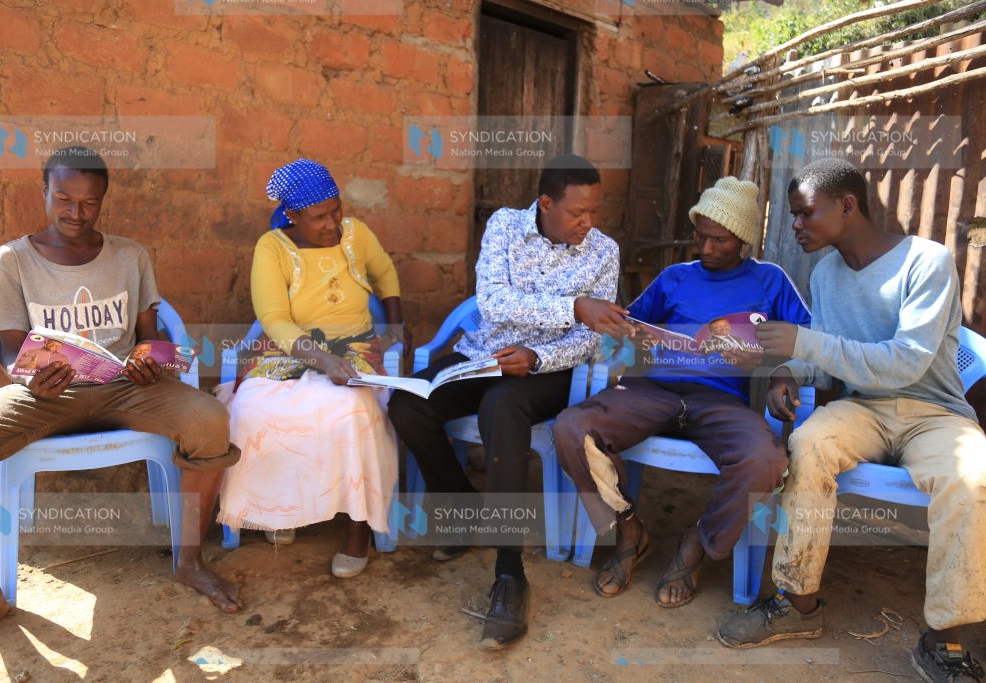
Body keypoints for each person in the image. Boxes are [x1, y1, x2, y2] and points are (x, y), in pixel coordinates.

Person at [0, 146, 243, 652]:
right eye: (64, 198)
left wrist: (146, 359)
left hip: (124, 389)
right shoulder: (12, 260)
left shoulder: (130, 255)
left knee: (209, 419)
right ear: (44, 192)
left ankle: (188, 562)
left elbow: (148, 337)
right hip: (50, 395)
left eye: (89, 203)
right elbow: (7, 348)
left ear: (102, 202)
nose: (75, 212)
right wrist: (29, 379)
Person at [717, 158, 986, 683]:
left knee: (971, 477)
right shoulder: (826, 274)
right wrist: (786, 372)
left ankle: (943, 638)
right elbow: (830, 358)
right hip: (863, 407)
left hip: (935, 412)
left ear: (846, 205)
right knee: (809, 443)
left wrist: (803, 343)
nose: (795, 225)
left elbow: (906, 360)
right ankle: (797, 604)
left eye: (803, 214)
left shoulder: (927, 262)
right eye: (792, 215)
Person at [388, 154, 626, 649]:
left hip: (550, 371)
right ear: (545, 204)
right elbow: (492, 301)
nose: (588, 223)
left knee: (503, 405)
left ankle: (509, 573)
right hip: (485, 354)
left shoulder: (604, 252)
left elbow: (592, 341)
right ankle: (461, 504)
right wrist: (573, 306)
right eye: (577, 213)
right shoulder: (505, 227)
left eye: (594, 212)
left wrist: (537, 355)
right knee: (408, 403)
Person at [552, 177, 811, 608]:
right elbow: (623, 330)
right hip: (652, 388)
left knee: (766, 460)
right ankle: (628, 531)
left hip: (720, 401)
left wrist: (783, 370)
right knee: (571, 428)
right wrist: (634, 338)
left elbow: (808, 341)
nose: (706, 249)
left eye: (720, 241)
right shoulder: (675, 277)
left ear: (743, 238)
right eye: (700, 236)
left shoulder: (771, 282)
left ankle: (697, 543)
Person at [215, 159, 408, 579]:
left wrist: (393, 325)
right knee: (253, 411)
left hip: (355, 347)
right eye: (318, 216)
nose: (331, 223)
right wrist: (320, 361)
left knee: (352, 412)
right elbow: (274, 318)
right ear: (292, 216)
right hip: (289, 349)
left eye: (335, 209)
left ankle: (358, 527)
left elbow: (385, 273)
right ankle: (280, 513)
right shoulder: (272, 248)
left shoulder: (356, 235)